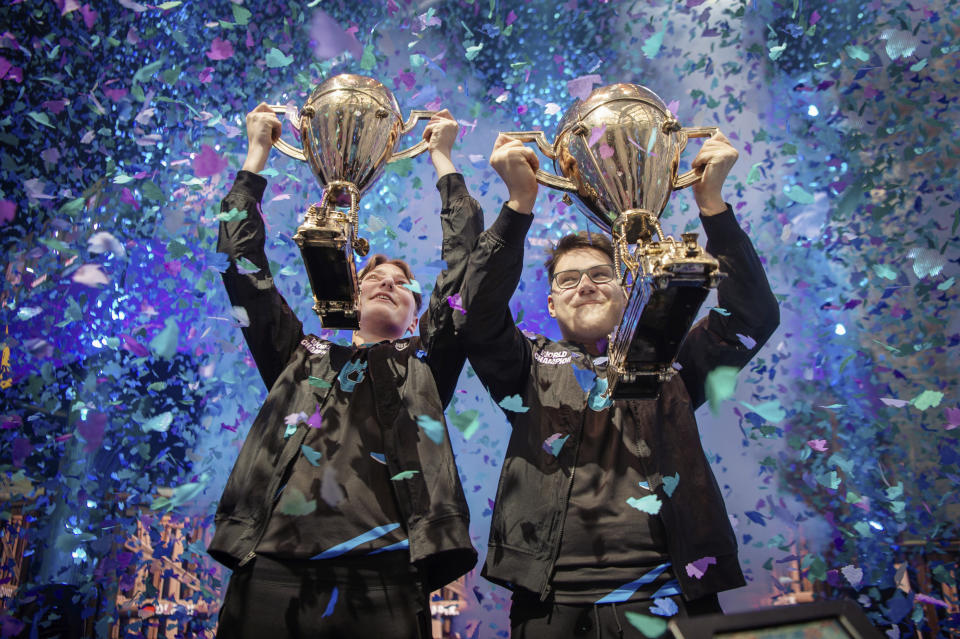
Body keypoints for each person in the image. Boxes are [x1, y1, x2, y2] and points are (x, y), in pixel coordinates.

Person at [455, 132, 780, 637]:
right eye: (567, 280)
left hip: (672, 597)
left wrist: (712, 206)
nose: (585, 284)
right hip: (551, 605)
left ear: (629, 289)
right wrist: (518, 205)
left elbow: (751, 316)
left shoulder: (672, 364)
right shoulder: (529, 366)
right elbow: (475, 318)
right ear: (550, 305)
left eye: (601, 275)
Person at [208, 103, 480, 639]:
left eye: (401, 283)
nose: (385, 282)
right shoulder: (300, 355)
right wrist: (257, 152)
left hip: (386, 575)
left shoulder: (424, 366)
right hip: (271, 568)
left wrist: (443, 160)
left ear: (416, 312)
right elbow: (242, 268)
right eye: (372, 276)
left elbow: (466, 266)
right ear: (348, 295)